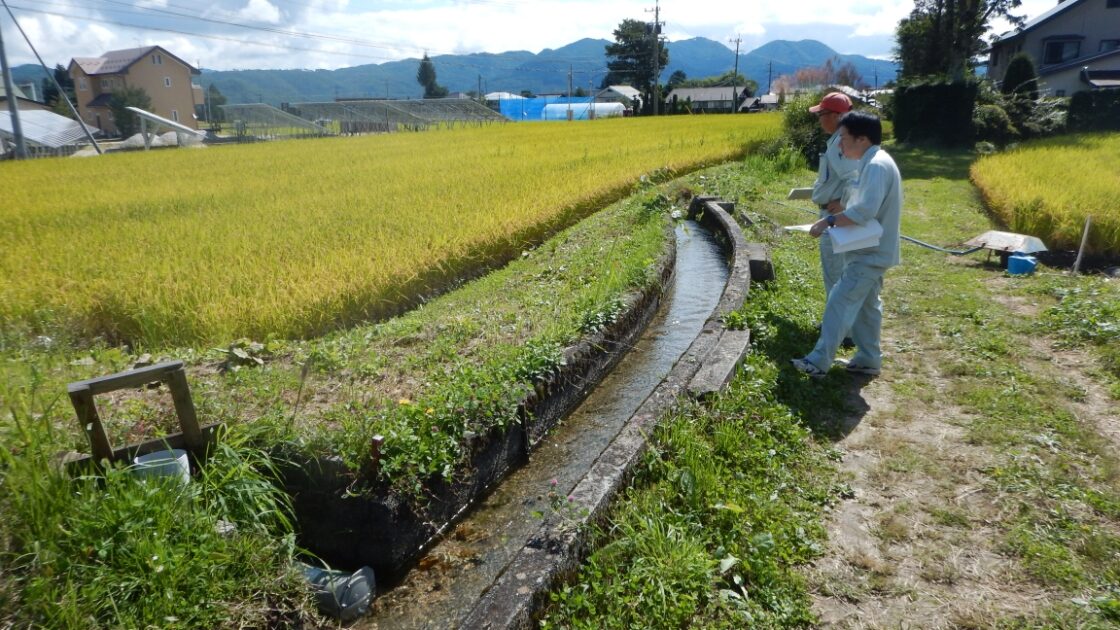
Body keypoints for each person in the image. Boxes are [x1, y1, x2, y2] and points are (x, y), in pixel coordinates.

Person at [791, 111, 902, 378]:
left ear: (861, 139)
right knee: (867, 307)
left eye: (843, 138)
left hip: (869, 252)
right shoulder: (874, 161)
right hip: (873, 249)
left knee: (839, 301)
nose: (839, 145)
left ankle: (817, 363)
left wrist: (827, 221)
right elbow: (863, 203)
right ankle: (868, 359)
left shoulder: (875, 165)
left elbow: (865, 210)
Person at [808, 92, 859, 301]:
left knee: (836, 276)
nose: (819, 118)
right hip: (836, 218)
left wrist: (843, 203)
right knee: (841, 274)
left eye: (822, 113)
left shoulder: (840, 144)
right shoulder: (843, 140)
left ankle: (838, 330)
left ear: (836, 116)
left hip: (834, 220)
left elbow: (854, 177)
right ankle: (843, 326)